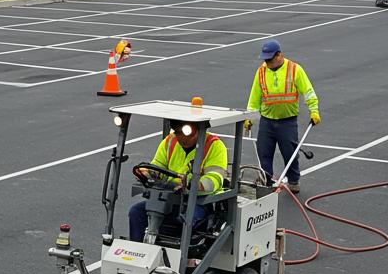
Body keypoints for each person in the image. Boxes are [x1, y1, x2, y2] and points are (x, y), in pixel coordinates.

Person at [127, 123, 229, 243]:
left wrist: (194, 185)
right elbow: (158, 167)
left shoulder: (214, 146)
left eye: (188, 134)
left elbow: (215, 178)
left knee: (188, 218)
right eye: (178, 133)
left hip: (199, 201)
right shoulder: (170, 141)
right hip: (168, 199)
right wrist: (148, 173)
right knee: (136, 212)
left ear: (199, 130)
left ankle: (187, 257)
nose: (183, 139)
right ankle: (140, 253)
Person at [244, 40, 319, 194]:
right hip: (267, 121)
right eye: (265, 60)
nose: (267, 63)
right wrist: (249, 117)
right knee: (264, 153)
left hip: (287, 121)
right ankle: (267, 181)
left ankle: (293, 181)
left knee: (289, 152)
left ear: (279, 55)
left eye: (270, 59)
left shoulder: (294, 69)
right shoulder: (261, 72)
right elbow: (254, 98)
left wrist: (314, 110)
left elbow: (308, 91)